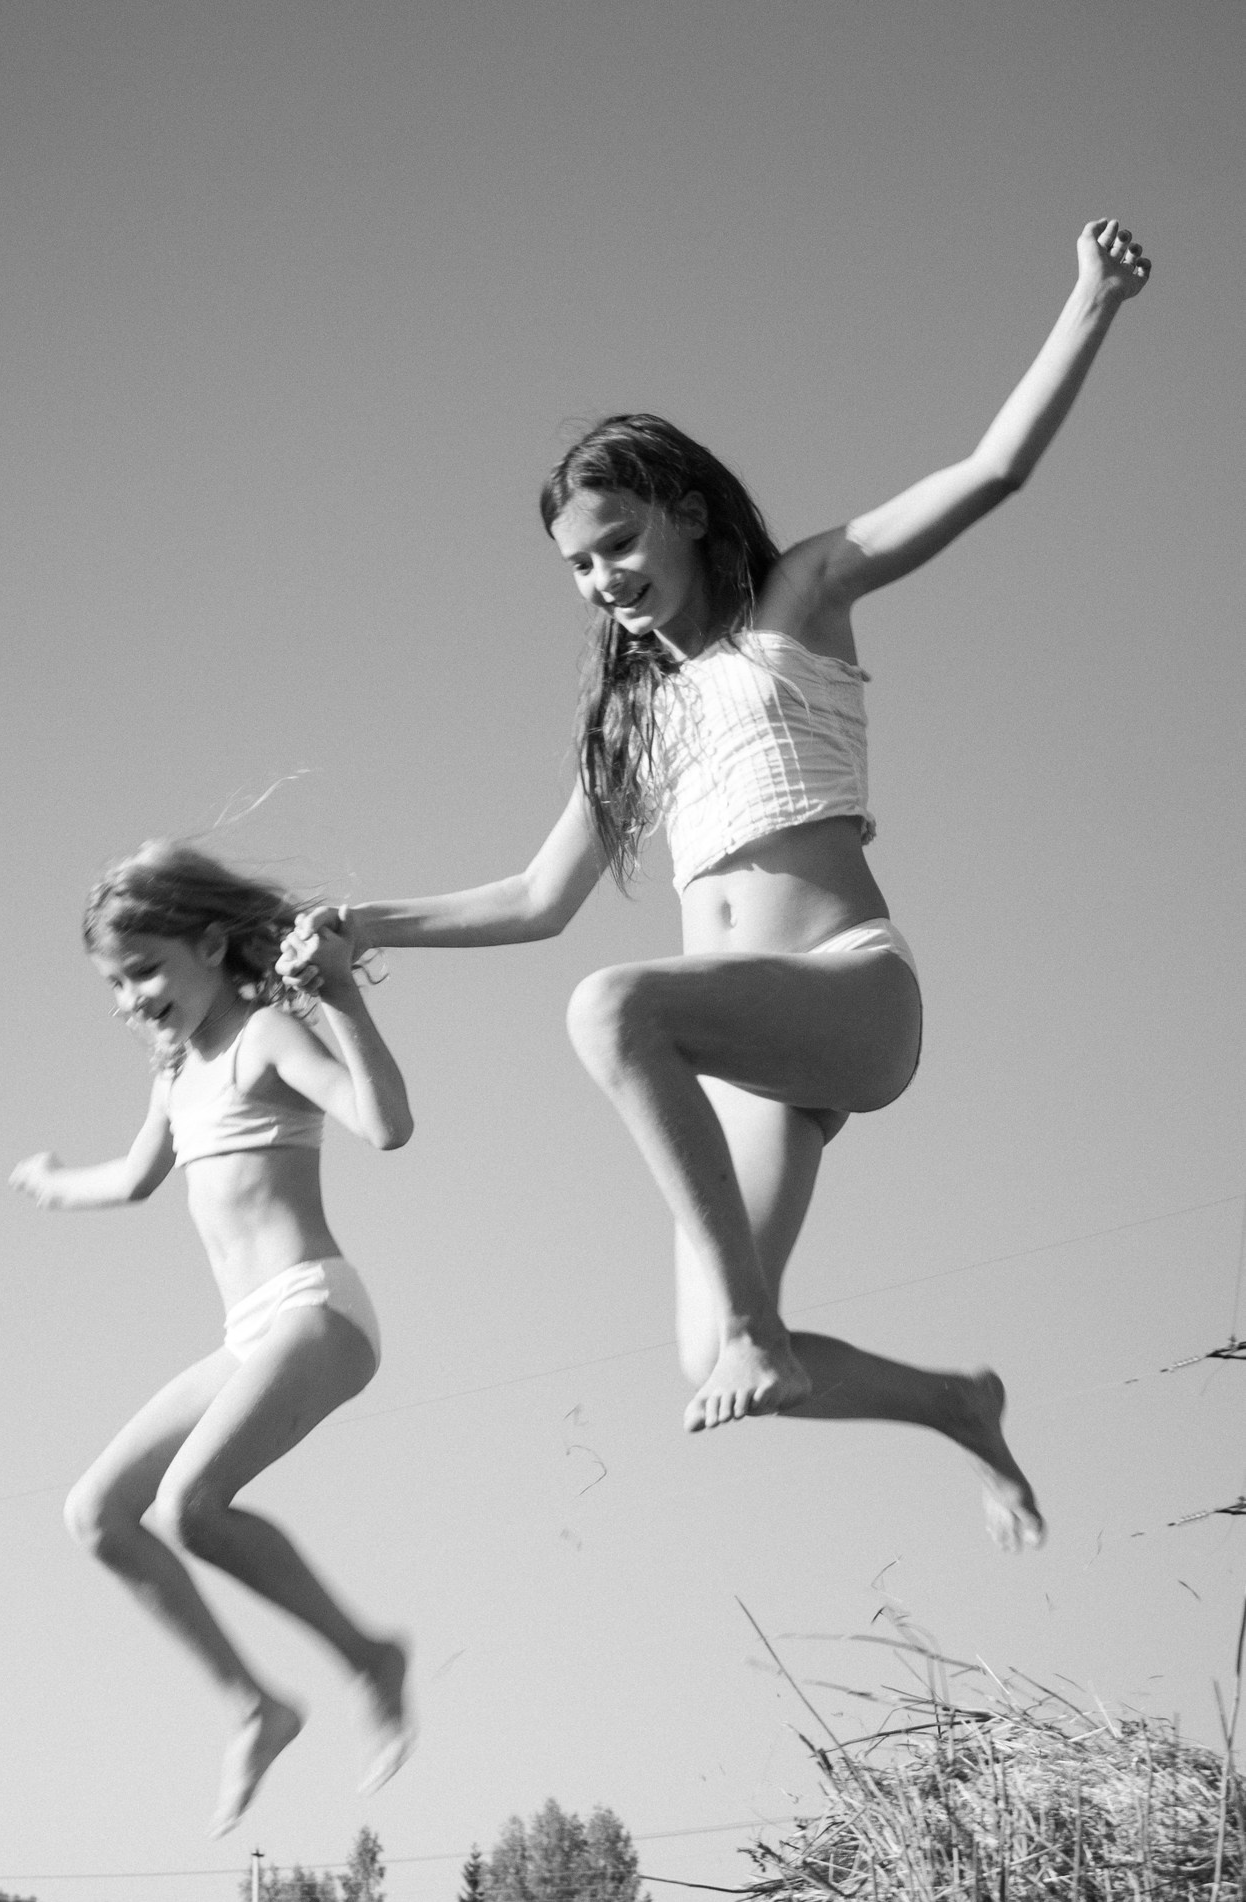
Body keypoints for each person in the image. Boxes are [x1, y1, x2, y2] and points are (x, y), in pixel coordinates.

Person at [283, 219, 1151, 1551]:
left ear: (686, 511)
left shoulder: (800, 599)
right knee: (708, 1358)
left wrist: (1089, 300)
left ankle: (752, 1321)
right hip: (753, 1065)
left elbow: (991, 470)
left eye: (617, 542)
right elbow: (534, 898)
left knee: (612, 1009)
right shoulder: (636, 720)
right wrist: (360, 922)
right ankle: (953, 1402)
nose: (603, 581)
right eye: (579, 567)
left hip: (851, 994)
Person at [12, 840, 415, 1834]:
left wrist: (342, 1002)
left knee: (192, 1506)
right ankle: (254, 1706)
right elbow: (133, 1179)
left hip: (318, 1308)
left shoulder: (265, 1036)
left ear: (207, 945)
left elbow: (384, 1124)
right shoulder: (176, 1075)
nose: (129, 999)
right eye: (114, 983)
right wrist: (52, 1183)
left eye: (144, 971)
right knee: (98, 1513)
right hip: (249, 1333)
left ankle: (369, 1658)